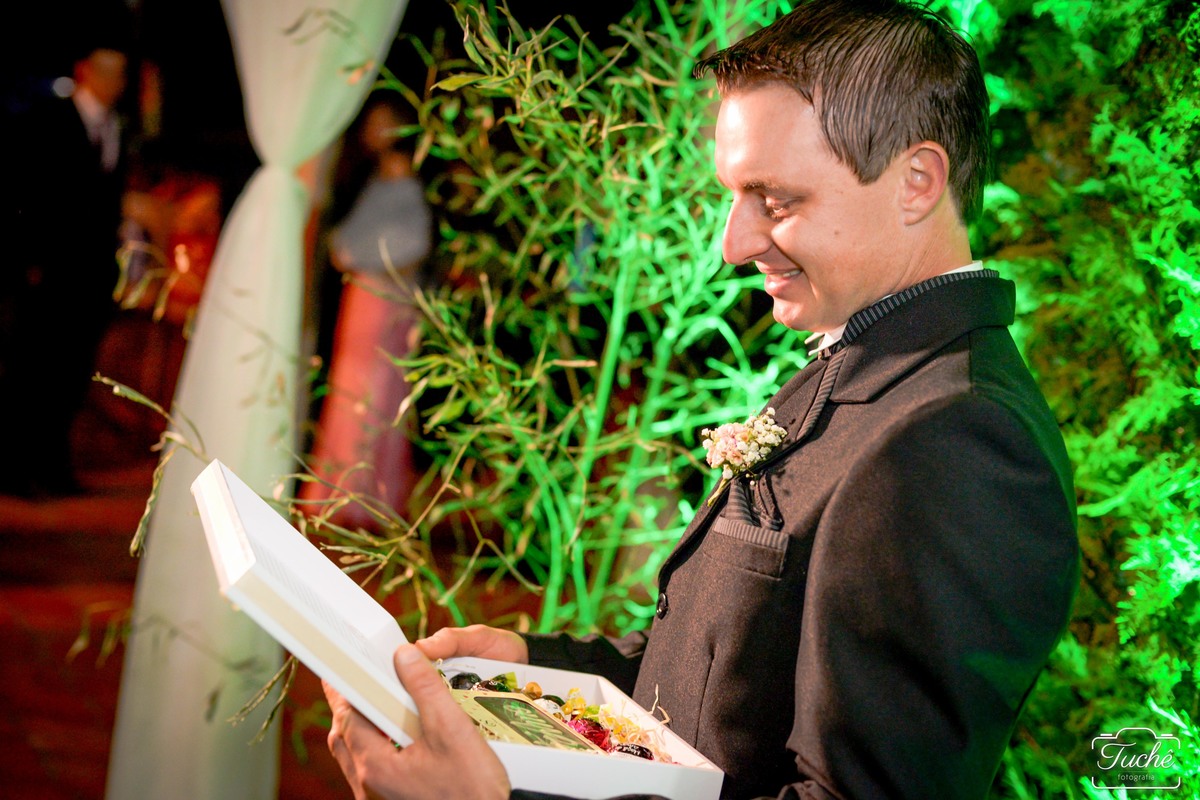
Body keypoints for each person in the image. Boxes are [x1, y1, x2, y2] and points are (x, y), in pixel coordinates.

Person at [322, 1, 1079, 798]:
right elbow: (721, 685)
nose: (733, 244)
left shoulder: (957, 439)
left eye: (775, 201)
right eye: (733, 197)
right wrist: (534, 668)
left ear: (916, 182)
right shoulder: (868, 363)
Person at [0, 42, 129, 496]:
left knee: (71, 371)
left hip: (91, 271)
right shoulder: (47, 121)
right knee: (32, 369)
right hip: (47, 271)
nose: (115, 83)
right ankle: (16, 470)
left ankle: (53, 466)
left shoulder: (115, 126)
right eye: (107, 72)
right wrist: (29, 261)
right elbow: (24, 193)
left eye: (120, 74)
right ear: (84, 71)